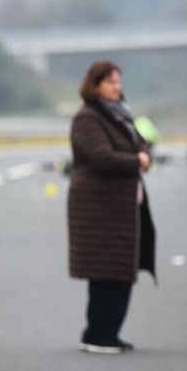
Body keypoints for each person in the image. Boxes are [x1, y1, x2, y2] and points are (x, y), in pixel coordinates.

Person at [67, 60, 156, 354]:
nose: (117, 87)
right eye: (110, 82)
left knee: (121, 271)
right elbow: (101, 157)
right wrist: (137, 161)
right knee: (104, 273)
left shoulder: (120, 114)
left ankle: (111, 333)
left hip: (121, 206)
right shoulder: (87, 118)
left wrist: (142, 155)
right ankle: (97, 335)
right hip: (98, 208)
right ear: (94, 86)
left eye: (118, 81)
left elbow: (141, 143)